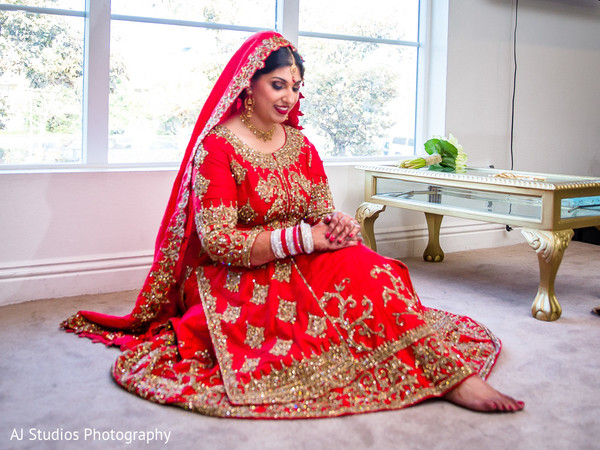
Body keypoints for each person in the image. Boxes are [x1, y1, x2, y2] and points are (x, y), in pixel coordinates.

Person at [61, 31, 524, 418]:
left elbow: (319, 207)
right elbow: (220, 241)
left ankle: (450, 376)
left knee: (378, 273)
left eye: (296, 87)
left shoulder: (300, 144)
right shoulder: (218, 150)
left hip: (304, 255)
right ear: (249, 85)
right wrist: (304, 237)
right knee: (317, 316)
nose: (289, 97)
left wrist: (336, 224)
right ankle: (447, 380)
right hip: (237, 275)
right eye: (278, 85)